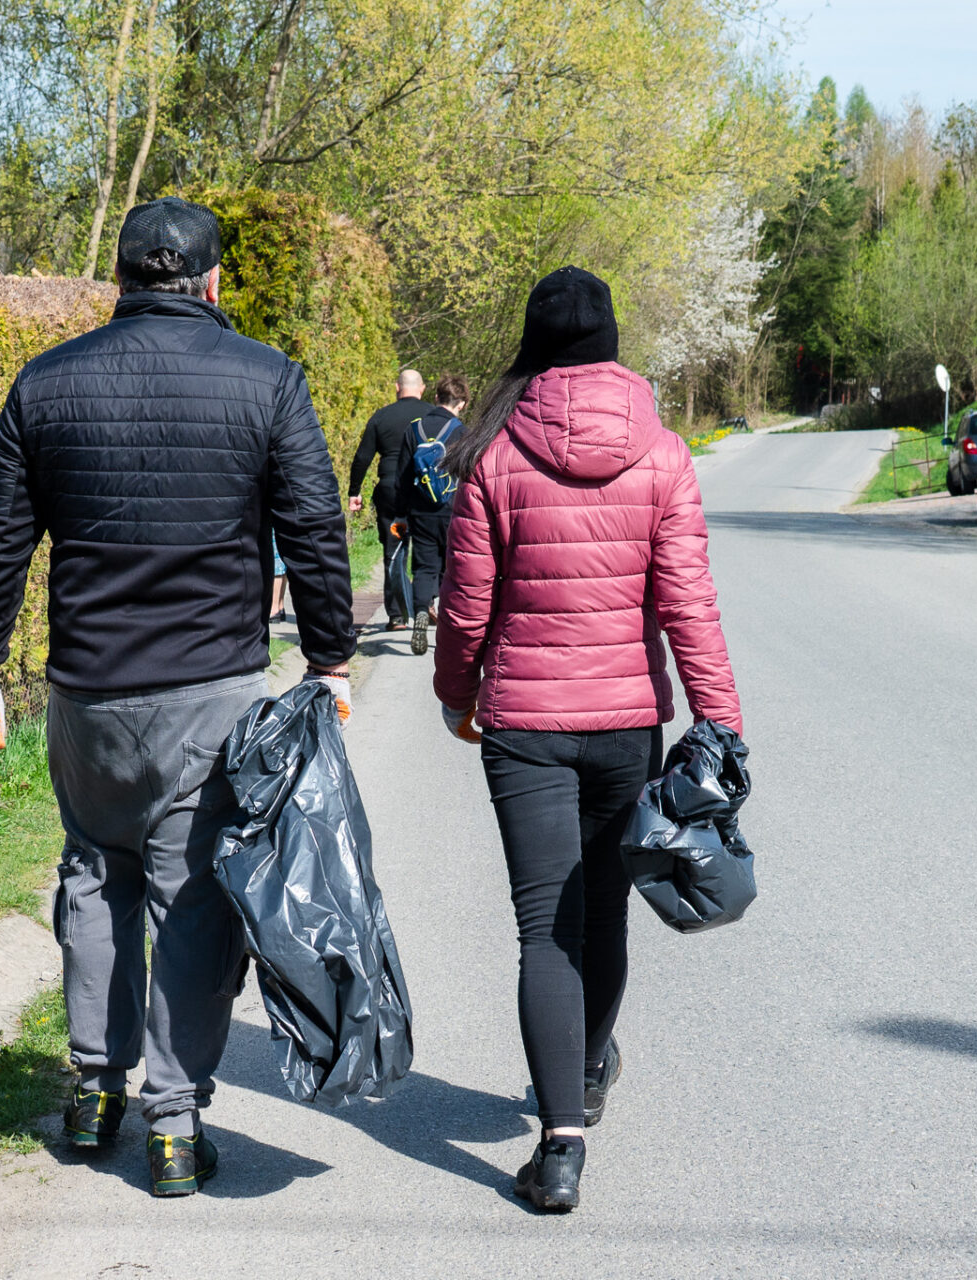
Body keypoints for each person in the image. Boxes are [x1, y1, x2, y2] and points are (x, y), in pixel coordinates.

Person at [0, 196, 357, 1199]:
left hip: (87, 689)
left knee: (94, 873)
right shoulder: (267, 377)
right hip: (210, 688)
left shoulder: (46, 382)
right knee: (191, 895)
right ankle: (174, 1122)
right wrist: (330, 660)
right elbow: (313, 528)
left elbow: (0, 540)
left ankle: (93, 1092)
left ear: (119, 278)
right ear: (214, 282)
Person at [432, 266, 742, 1213]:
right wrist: (720, 720)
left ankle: (560, 1145)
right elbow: (688, 602)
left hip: (523, 726)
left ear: (533, 347)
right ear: (611, 343)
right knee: (603, 914)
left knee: (543, 928)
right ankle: (590, 1067)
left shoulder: (492, 453)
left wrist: (455, 696)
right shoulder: (664, 454)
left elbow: (467, 608)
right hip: (624, 724)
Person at [347, 368, 433, 627]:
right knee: (426, 549)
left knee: (394, 550)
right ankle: (426, 603)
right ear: (422, 388)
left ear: (397, 388)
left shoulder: (381, 417)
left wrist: (354, 491)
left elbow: (362, 457)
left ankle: (397, 615)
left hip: (391, 493)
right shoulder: (432, 416)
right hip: (424, 493)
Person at [404, 373, 468, 655]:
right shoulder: (462, 432)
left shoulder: (414, 428)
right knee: (450, 566)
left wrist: (401, 513)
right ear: (462, 403)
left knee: (423, 565)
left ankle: (421, 609)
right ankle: (447, 624)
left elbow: (402, 476)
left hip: (421, 510)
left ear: (436, 397)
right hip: (452, 509)